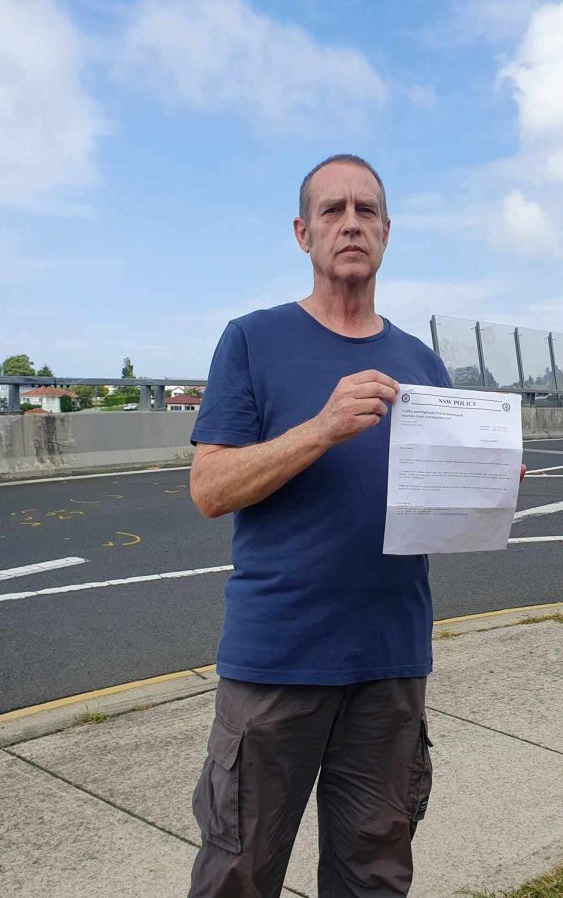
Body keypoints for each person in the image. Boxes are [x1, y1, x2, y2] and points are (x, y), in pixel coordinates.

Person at [185, 154, 452, 897]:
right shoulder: (252, 340)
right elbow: (209, 488)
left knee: (374, 871)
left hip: (391, 661)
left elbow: (439, 514)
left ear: (388, 232)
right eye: (332, 211)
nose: (351, 223)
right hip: (278, 661)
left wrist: (484, 488)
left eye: (366, 210)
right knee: (239, 870)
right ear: (303, 233)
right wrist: (323, 427)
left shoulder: (423, 364)